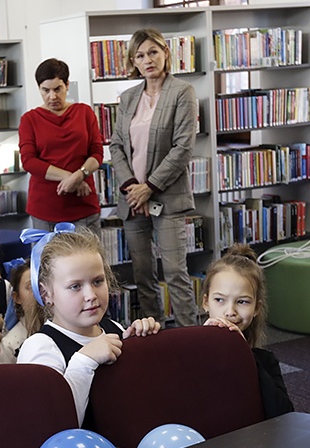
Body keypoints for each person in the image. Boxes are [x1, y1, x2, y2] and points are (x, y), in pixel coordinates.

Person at [17, 226, 159, 426]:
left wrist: (139, 345)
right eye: (75, 286)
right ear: (46, 294)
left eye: (98, 281)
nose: (91, 296)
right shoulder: (40, 348)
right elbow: (54, 425)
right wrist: (84, 361)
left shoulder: (114, 327)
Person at [109, 28, 199, 328]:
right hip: (133, 199)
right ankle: (154, 339)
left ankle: (194, 341)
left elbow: (183, 148)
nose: (147, 60)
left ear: (165, 53)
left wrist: (149, 187)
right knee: (143, 276)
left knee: (175, 273)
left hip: (166, 197)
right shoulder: (129, 97)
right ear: (133, 61)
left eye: (152, 52)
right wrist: (131, 188)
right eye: (140, 55)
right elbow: (117, 145)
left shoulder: (182, 92)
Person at [201, 244, 294, 419]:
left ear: (257, 307)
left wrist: (243, 353)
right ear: (206, 302)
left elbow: (284, 415)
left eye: (242, 302)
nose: (230, 311)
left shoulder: (265, 361)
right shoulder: (189, 353)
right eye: (219, 299)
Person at [18, 58, 103, 236]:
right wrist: (72, 178)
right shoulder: (30, 119)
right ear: (39, 89)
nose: (52, 96)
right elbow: (29, 161)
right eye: (45, 90)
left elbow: (97, 153)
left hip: (83, 205)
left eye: (58, 89)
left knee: (90, 261)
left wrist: (81, 174)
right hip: (46, 208)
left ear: (67, 85)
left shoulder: (84, 113)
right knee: (47, 262)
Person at [0, 260, 37, 364]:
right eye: (31, 287)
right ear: (17, 297)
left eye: (41, 284)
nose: (38, 292)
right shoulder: (9, 345)